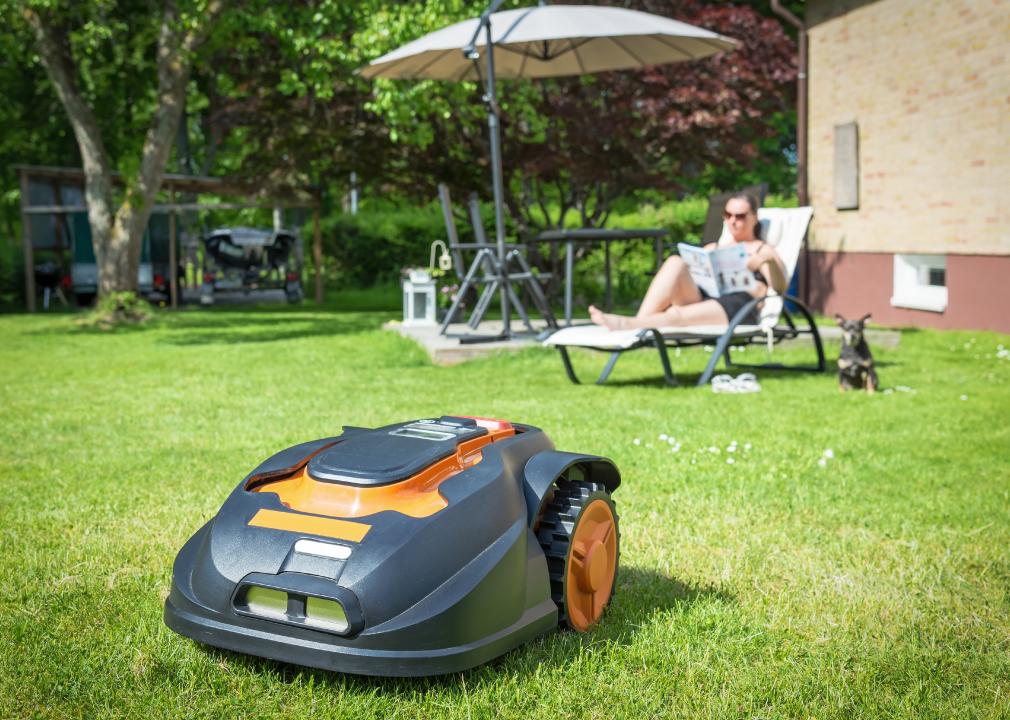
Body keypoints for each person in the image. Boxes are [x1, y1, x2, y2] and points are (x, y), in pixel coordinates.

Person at [588, 193, 788, 330]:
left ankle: (628, 325)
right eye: (728, 215)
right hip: (705, 296)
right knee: (675, 261)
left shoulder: (762, 250)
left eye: (740, 216)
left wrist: (767, 261)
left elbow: (779, 288)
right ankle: (638, 322)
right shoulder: (715, 248)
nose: (733, 221)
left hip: (737, 305)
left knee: (677, 315)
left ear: (754, 217)